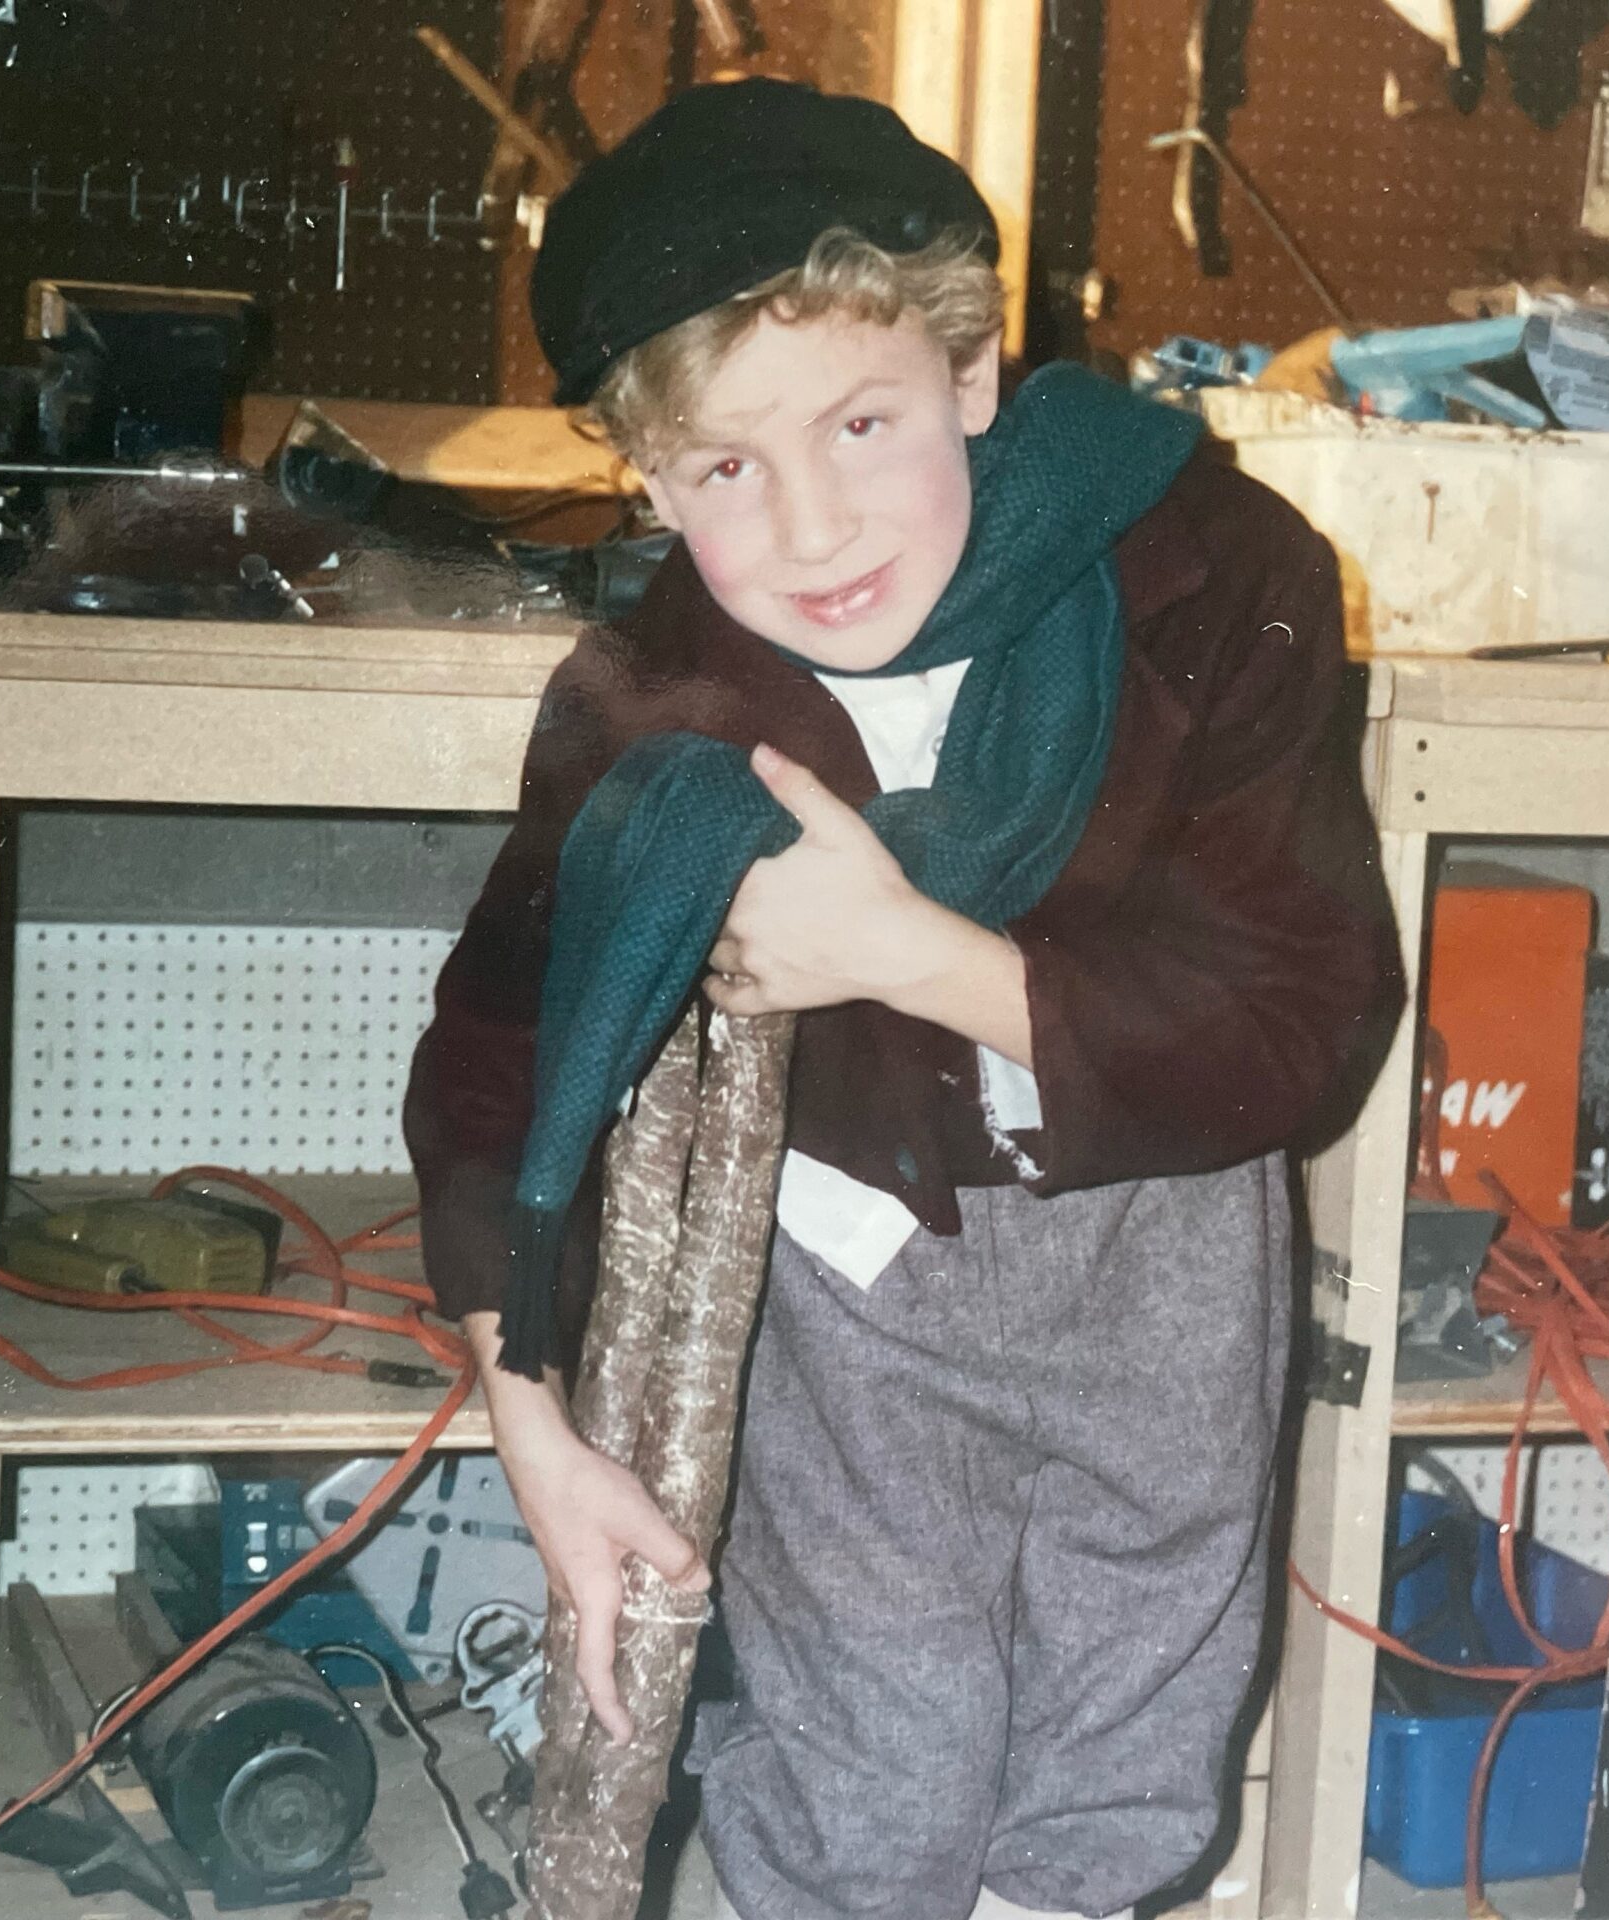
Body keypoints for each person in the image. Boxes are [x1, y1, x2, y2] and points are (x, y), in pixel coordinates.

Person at [402, 79, 1403, 1920]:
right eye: (725, 467)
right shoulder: (652, 692)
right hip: (858, 1257)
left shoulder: (1217, 575)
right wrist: (529, 1421)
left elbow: (1303, 1013)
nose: (810, 524)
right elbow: (492, 1057)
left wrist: (904, 953)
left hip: (1171, 1227)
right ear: (649, 479)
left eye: (861, 421)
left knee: (1130, 1757)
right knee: (885, 1765)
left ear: (966, 367)